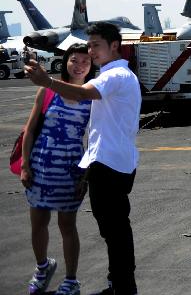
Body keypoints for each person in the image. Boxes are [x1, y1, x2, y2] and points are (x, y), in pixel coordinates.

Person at [26, 22, 141, 295]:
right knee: (114, 231)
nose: (91, 50)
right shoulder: (118, 75)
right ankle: (119, 283)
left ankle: (123, 287)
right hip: (110, 163)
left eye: (96, 45)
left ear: (114, 46)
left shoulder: (115, 76)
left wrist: (48, 81)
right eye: (89, 45)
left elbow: (81, 93)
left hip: (110, 165)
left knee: (115, 232)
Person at [21, 43, 96, 295]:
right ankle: (43, 268)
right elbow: (30, 130)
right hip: (41, 166)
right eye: (74, 60)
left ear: (91, 66)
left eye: (85, 62)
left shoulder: (91, 98)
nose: (79, 66)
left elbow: (93, 140)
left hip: (71, 169)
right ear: (66, 62)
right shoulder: (47, 90)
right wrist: (25, 164)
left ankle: (71, 280)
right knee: (38, 222)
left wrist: (84, 178)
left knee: (67, 225)